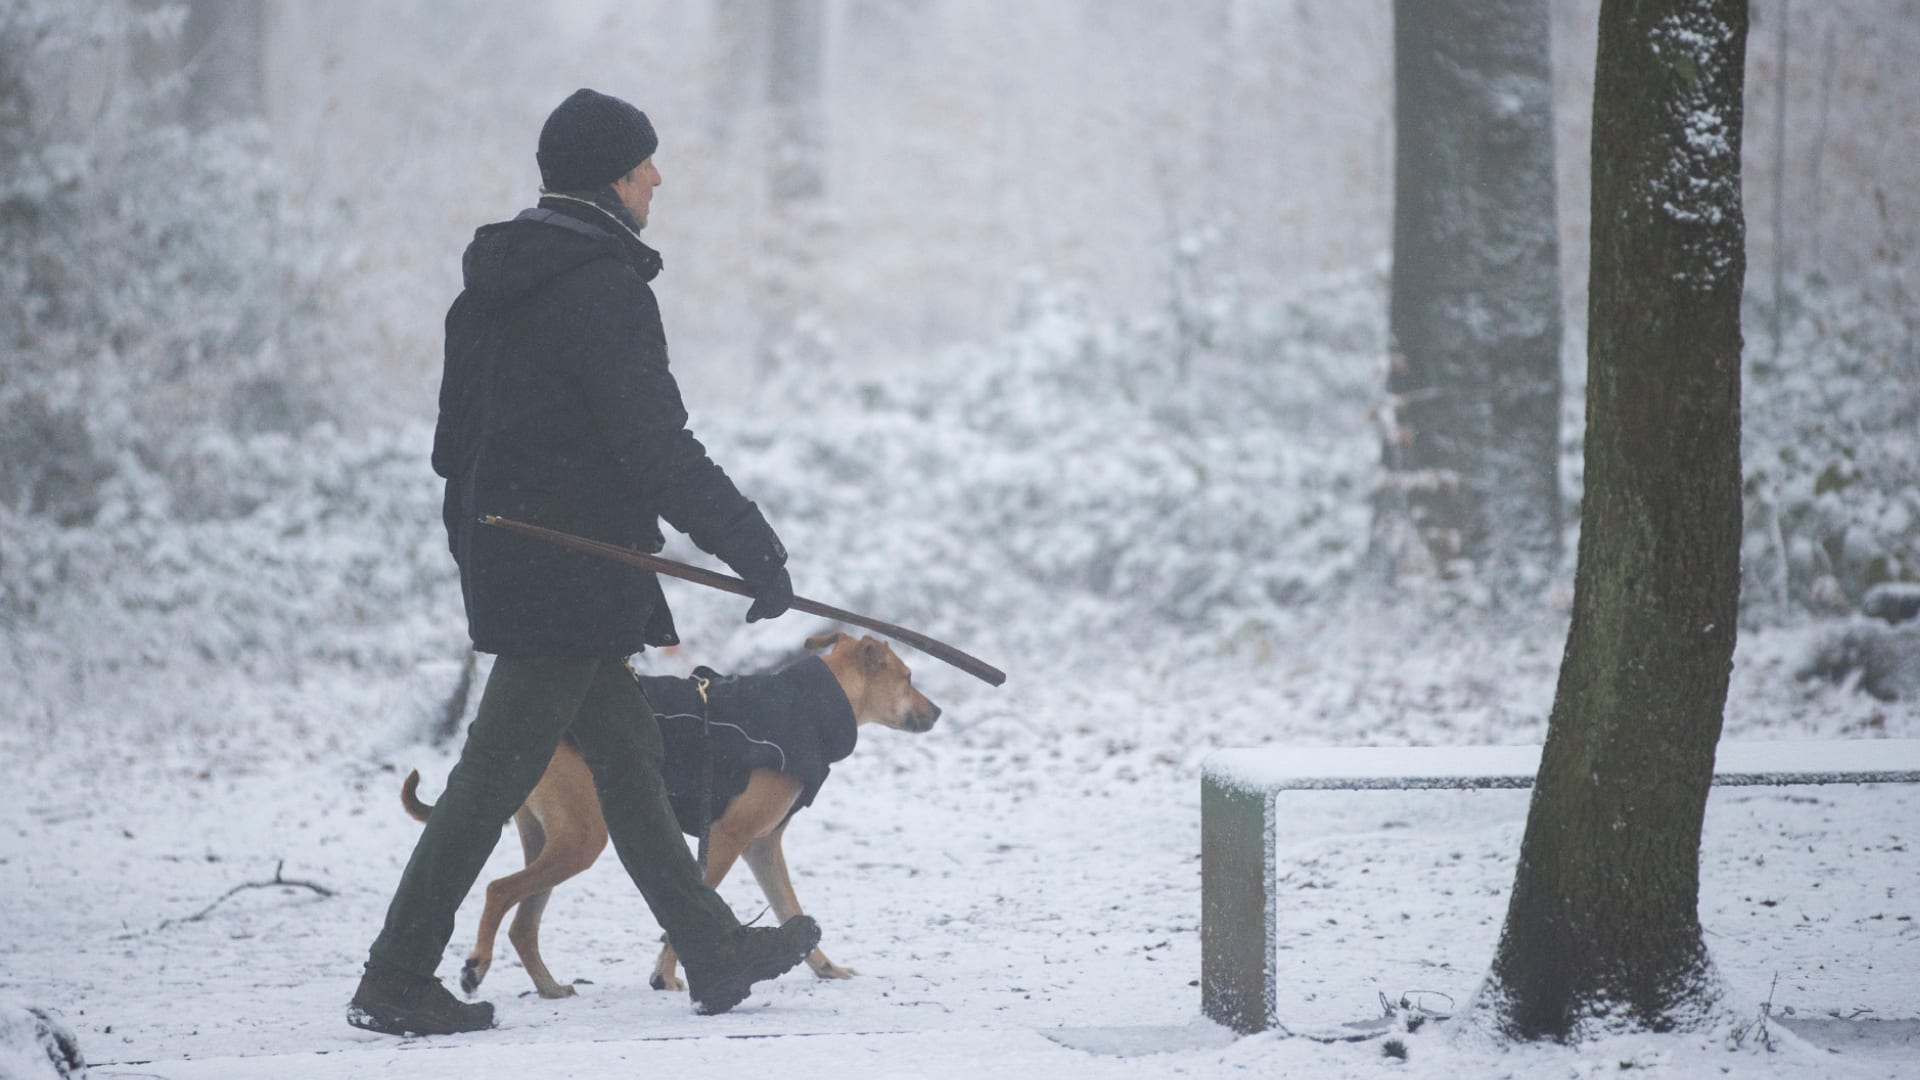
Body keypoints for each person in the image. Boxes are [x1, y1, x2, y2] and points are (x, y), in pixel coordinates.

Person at [348, 88, 820, 1037]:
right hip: (566, 576)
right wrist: (752, 543)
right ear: (612, 177)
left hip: (532, 563)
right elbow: (657, 445)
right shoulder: (604, 290)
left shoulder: (484, 292)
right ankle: (394, 975)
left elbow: (456, 451)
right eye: (645, 163)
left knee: (633, 761)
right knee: (491, 777)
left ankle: (714, 951)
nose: (658, 178)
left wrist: (487, 551)